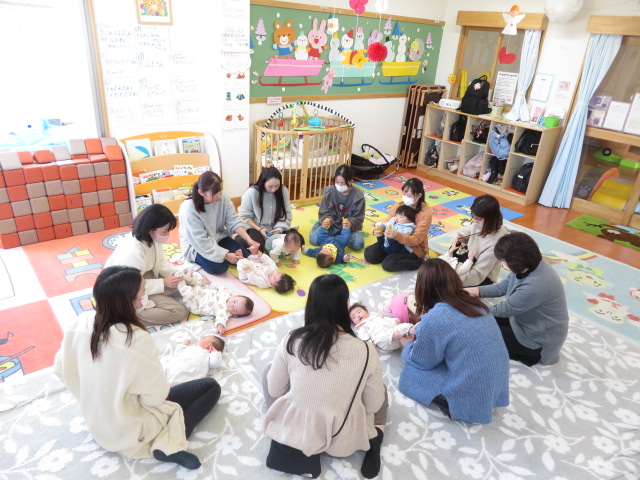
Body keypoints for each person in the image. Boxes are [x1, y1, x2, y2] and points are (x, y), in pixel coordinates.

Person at [54, 266, 221, 470]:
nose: (145, 296)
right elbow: (156, 397)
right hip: (133, 431)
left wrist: (97, 392)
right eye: (143, 292)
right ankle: (169, 443)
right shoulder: (136, 339)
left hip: (98, 426)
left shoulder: (79, 322)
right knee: (211, 387)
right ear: (129, 301)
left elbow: (60, 369)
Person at [262, 274, 388, 479]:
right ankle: (376, 437)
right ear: (346, 305)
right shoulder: (366, 350)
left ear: (310, 305)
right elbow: (373, 406)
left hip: (298, 433)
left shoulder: (292, 340)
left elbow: (275, 390)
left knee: (269, 371)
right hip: (343, 441)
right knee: (381, 391)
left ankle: (292, 429)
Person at [398, 259, 510, 424]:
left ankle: (460, 404)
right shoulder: (475, 303)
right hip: (496, 383)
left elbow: (424, 361)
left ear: (423, 288)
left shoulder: (435, 318)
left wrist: (407, 346)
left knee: (411, 371)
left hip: (473, 391)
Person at [465, 232, 569, 366]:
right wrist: (469, 291)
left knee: (479, 336)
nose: (501, 263)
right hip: (523, 321)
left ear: (514, 261)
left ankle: (531, 355)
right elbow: (501, 288)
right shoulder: (528, 265)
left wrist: (468, 306)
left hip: (537, 338)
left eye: (503, 260)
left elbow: (503, 310)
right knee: (478, 323)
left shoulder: (534, 286)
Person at [105, 203, 188, 326]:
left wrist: (176, 273)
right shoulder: (134, 251)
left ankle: (161, 297)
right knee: (178, 311)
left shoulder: (153, 238)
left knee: (183, 286)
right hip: (126, 291)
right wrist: (163, 283)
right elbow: (132, 286)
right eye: (165, 231)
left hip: (142, 279)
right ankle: (126, 315)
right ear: (151, 229)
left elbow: (161, 262)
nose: (167, 235)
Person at [179, 171, 260, 275]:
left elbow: (233, 220)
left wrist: (249, 240)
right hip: (196, 246)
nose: (219, 196)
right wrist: (225, 255)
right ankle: (198, 259)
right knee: (220, 268)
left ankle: (221, 254)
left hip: (218, 238)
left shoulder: (223, 197)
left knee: (243, 257)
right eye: (214, 193)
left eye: (220, 191)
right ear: (201, 192)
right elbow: (200, 241)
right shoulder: (189, 208)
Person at [364, 177, 433, 272]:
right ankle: (392, 254)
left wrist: (396, 235)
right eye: (404, 194)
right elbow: (388, 222)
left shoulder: (425, 213)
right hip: (392, 242)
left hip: (411, 247)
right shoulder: (399, 206)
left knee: (388, 265)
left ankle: (420, 262)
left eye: (409, 195)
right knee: (370, 255)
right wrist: (378, 229)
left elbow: (416, 239)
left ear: (419, 196)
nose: (405, 197)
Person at [439, 195, 508, 287]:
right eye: (474, 217)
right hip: (471, 258)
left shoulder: (496, 242)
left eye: (479, 219)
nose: (475, 222)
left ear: (491, 219)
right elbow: (472, 230)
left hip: (484, 276)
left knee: (445, 283)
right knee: (443, 264)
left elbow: (477, 275)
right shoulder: (481, 222)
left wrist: (448, 281)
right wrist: (462, 238)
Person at [309, 165, 365, 250]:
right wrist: (327, 220)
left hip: (347, 229)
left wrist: (350, 223)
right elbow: (324, 211)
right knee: (314, 239)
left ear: (351, 181)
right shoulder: (329, 191)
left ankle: (335, 237)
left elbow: (359, 218)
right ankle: (321, 227)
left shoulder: (358, 196)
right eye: (337, 182)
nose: (339, 185)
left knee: (358, 244)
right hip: (332, 225)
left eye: (343, 183)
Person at [238, 167, 293, 252]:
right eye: (270, 186)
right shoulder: (251, 192)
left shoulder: (283, 190)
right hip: (256, 227)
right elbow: (245, 217)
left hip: (276, 226)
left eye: (277, 186)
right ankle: (237, 236)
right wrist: (260, 229)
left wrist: (279, 229)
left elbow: (286, 214)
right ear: (263, 182)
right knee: (258, 247)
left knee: (297, 241)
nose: (274, 189)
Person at [177, 281, 253, 335]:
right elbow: (220, 286)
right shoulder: (227, 293)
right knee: (196, 280)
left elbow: (221, 319)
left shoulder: (224, 311)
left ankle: (180, 285)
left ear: (234, 315)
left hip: (197, 304)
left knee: (187, 293)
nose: (231, 305)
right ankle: (182, 282)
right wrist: (210, 283)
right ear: (236, 296)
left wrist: (220, 326)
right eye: (234, 301)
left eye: (234, 309)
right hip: (200, 292)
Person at [349, 303, 413, 351]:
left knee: (404, 326)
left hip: (393, 330)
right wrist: (371, 344)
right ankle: (401, 334)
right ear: (354, 323)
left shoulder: (375, 316)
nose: (358, 316)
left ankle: (413, 330)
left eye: (359, 312)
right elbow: (365, 338)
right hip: (385, 341)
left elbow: (386, 319)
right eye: (354, 317)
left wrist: (394, 320)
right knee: (382, 337)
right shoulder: (361, 328)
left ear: (367, 311)